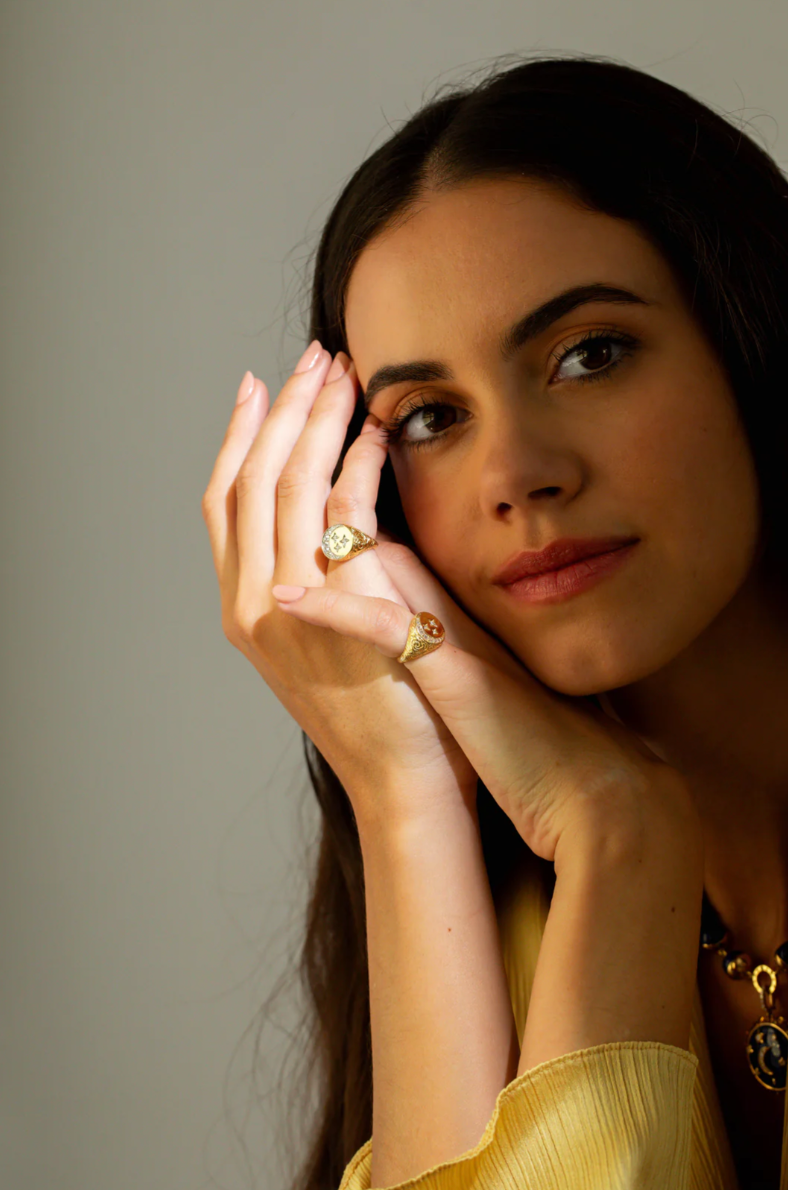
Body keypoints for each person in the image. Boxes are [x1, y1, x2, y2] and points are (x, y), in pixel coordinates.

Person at [200, 51, 788, 1190]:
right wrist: (410, 797)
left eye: (588, 355)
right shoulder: (511, 885)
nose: (515, 474)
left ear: (751, 336)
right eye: (428, 417)